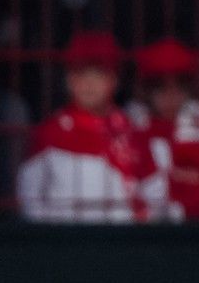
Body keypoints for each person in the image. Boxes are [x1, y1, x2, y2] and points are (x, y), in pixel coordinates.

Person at [16, 29, 176, 224]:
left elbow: (154, 191)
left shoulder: (131, 131)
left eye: (99, 74)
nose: (89, 83)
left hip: (123, 243)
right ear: (69, 80)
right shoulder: (50, 132)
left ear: (114, 81)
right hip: (65, 243)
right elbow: (30, 196)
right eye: (81, 74)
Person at [126, 38, 199, 222]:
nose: (171, 97)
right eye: (161, 88)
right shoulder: (135, 122)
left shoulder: (196, 118)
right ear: (146, 91)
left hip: (193, 219)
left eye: (179, 87)